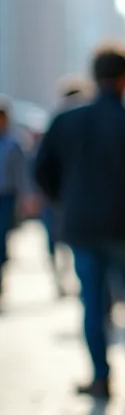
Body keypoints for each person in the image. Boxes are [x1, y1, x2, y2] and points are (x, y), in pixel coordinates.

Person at [35, 48, 125, 398]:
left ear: (94, 77)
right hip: (124, 225)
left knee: (92, 302)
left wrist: (66, 201)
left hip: (82, 225)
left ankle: (100, 375)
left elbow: (41, 170)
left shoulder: (66, 121)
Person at [40, 81, 90, 297]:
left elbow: (41, 167)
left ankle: (64, 280)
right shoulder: (86, 123)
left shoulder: (58, 123)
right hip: (81, 201)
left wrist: (56, 196)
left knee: (68, 246)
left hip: (64, 199)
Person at [0, 97, 33, 300]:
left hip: (6, 196)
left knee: (2, 236)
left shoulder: (13, 143)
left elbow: (21, 174)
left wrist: (27, 197)